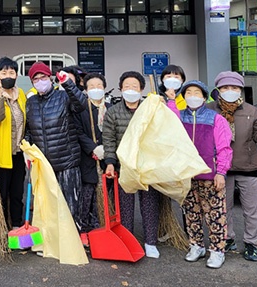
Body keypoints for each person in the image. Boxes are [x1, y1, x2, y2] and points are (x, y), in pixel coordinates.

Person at [207, 71, 257, 262]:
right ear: (218, 89)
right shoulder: (210, 109)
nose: (229, 91)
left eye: (234, 88)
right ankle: (227, 238)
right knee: (223, 207)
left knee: (252, 209)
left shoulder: (250, 110)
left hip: (248, 166)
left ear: (240, 90)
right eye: (225, 87)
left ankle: (252, 244)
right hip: (221, 169)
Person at [167, 80, 233, 269]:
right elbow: (170, 124)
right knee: (191, 214)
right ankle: (196, 246)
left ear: (204, 97)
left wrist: (221, 172)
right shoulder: (180, 117)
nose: (193, 96)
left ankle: (217, 250)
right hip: (188, 175)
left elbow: (225, 148)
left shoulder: (215, 118)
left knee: (215, 215)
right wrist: (171, 101)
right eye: (188, 93)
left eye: (197, 93)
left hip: (210, 176)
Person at [25, 62, 88, 235]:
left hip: (67, 161)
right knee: (48, 206)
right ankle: (50, 241)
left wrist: (68, 83)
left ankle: (71, 241)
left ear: (50, 78)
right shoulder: (30, 103)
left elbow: (81, 104)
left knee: (70, 205)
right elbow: (29, 130)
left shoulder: (63, 97)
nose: (40, 81)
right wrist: (27, 149)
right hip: (44, 165)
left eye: (43, 77)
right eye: (35, 79)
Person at [102, 71, 161, 258]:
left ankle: (151, 242)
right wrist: (110, 163)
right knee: (125, 207)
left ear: (141, 89)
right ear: (120, 89)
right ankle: (128, 240)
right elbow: (109, 140)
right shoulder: (113, 112)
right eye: (126, 86)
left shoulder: (150, 109)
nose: (130, 90)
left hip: (146, 165)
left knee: (150, 204)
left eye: (134, 86)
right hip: (124, 166)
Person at [0, 57, 27, 229]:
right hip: (1, 154)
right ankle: (2, 228)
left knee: (17, 193)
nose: (8, 75)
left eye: (11, 72)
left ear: (17, 75)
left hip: (18, 153)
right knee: (2, 194)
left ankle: (17, 226)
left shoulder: (22, 95)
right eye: (4, 72)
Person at [74, 72, 111, 245]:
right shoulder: (81, 109)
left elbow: (115, 133)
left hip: (106, 160)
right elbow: (78, 132)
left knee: (103, 198)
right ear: (86, 89)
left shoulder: (110, 109)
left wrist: (106, 149)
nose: (96, 89)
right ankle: (83, 229)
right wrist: (93, 148)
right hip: (87, 159)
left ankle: (100, 228)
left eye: (99, 86)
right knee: (86, 197)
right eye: (91, 87)